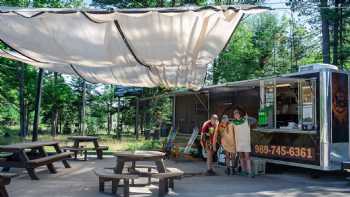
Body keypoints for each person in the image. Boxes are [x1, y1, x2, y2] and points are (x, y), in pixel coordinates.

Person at [232, 108, 253, 177]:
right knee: (241, 156)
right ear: (234, 115)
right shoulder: (233, 123)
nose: (236, 114)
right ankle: (244, 171)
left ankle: (249, 171)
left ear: (239, 114)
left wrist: (248, 117)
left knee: (247, 156)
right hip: (238, 142)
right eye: (235, 114)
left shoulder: (246, 120)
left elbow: (254, 120)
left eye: (237, 113)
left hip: (246, 142)